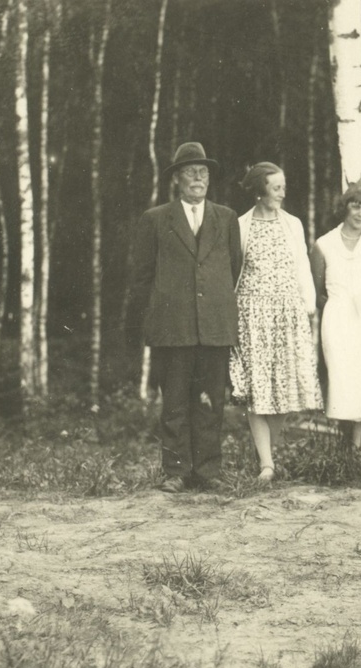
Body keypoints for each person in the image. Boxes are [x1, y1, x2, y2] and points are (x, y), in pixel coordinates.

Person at [133, 142, 243, 493]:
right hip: (173, 326)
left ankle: (208, 472)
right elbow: (142, 276)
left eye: (204, 172)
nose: (198, 177)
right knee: (176, 402)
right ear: (177, 178)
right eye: (191, 171)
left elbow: (233, 268)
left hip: (214, 325)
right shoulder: (155, 219)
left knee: (212, 402)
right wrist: (154, 320)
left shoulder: (226, 218)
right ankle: (176, 472)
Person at [229, 162, 322, 482]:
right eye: (275, 187)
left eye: (284, 186)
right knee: (257, 390)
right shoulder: (240, 225)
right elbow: (233, 272)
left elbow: (302, 268)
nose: (282, 192)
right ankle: (267, 464)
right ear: (259, 191)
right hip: (252, 315)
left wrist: (308, 307)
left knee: (284, 389)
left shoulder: (292, 224)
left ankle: (267, 452)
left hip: (288, 314)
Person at [310, 184, 361, 457]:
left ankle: (360, 458)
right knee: (344, 386)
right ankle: (345, 455)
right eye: (355, 206)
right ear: (344, 207)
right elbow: (317, 291)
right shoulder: (324, 244)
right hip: (338, 324)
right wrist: (339, 308)